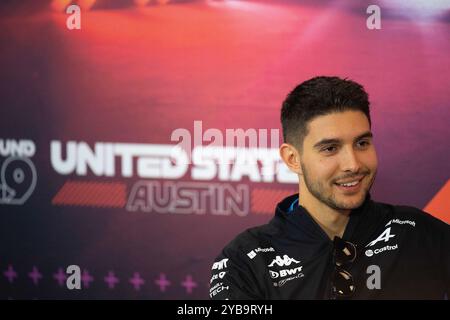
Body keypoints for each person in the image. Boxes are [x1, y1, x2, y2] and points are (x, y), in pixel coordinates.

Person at [209, 76, 449, 299]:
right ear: (293, 159)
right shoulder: (245, 261)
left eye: (362, 143)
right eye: (330, 148)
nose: (353, 164)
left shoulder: (417, 233)